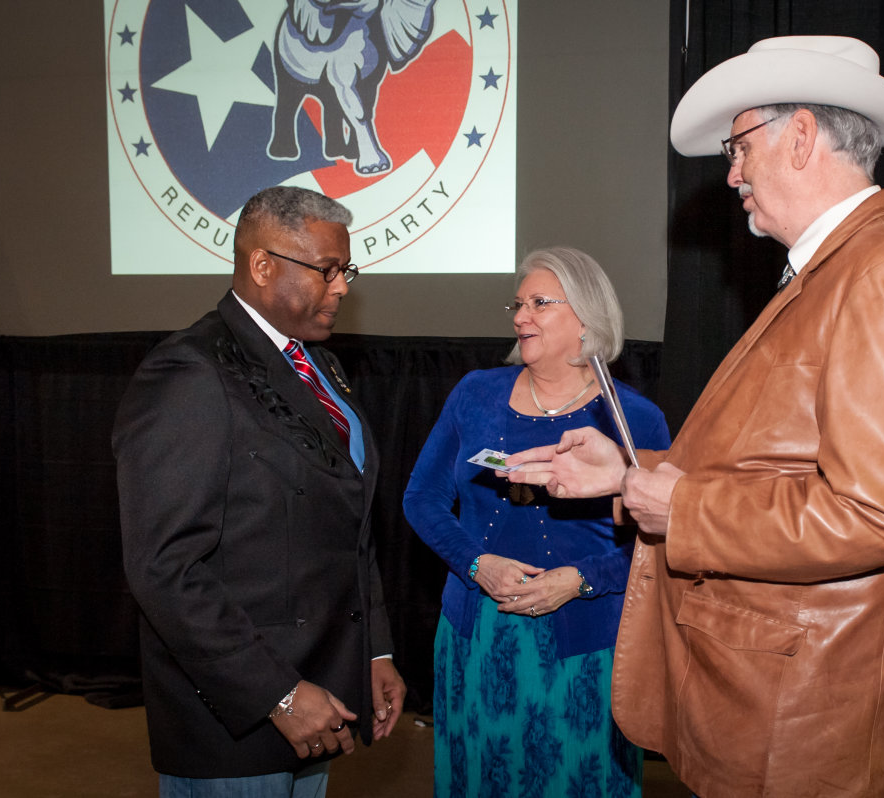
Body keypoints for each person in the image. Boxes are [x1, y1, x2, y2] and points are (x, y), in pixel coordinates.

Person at [506, 37, 884, 797]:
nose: (731, 174)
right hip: (786, 693)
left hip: (812, 712)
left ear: (801, 136)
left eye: (738, 147)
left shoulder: (882, 273)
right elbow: (779, 466)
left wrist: (679, 502)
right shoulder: (838, 271)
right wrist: (631, 475)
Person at [113, 185, 406, 797]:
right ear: (263, 265)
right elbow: (165, 568)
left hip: (318, 693)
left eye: (345, 270)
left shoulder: (317, 362)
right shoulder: (190, 373)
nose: (343, 287)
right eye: (327, 271)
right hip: (236, 718)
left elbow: (349, 523)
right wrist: (277, 693)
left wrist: (372, 650)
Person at [402, 246, 670, 797]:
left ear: (587, 317)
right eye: (518, 304)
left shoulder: (633, 418)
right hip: (476, 633)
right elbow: (422, 498)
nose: (521, 316)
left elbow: (659, 543)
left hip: (585, 643)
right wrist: (476, 565)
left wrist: (580, 580)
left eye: (540, 303)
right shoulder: (475, 393)